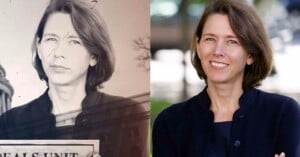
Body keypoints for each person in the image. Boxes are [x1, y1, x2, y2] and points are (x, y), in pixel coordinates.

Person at [0, 0, 149, 157]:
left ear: (94, 55)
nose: (59, 53)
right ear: (39, 47)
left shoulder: (128, 116)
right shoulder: (9, 123)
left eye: (74, 41)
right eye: (51, 39)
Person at [152, 0, 300, 157]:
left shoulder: (283, 114)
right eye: (210, 39)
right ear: (198, 46)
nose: (218, 51)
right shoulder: (170, 122)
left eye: (232, 41)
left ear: (250, 54)